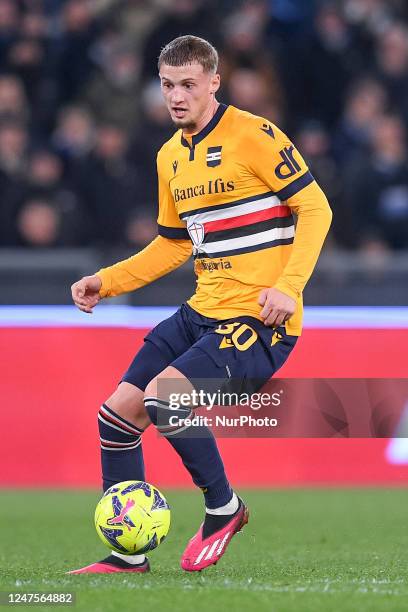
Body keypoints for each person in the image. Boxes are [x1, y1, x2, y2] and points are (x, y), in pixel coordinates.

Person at [69, 35, 332, 574]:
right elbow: (173, 243)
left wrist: (289, 285)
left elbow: (316, 207)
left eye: (189, 84)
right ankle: (128, 555)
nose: (177, 97)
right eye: (168, 85)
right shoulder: (170, 156)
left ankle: (223, 508)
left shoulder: (255, 135)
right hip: (201, 312)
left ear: (215, 81)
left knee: (167, 399)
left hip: (260, 320)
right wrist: (108, 281)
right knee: (117, 417)